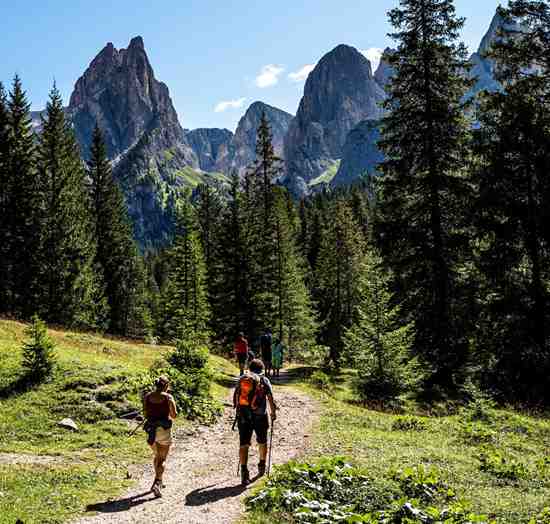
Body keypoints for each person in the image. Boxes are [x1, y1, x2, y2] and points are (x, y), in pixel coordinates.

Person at [233, 359, 277, 486]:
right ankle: (262, 466)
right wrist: (273, 413)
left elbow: (237, 398)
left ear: (249, 368)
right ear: (261, 369)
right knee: (262, 441)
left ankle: (244, 471)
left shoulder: (242, 379)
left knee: (244, 443)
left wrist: (238, 413)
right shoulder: (264, 380)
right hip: (260, 416)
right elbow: (270, 399)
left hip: (244, 415)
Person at [143, 375, 177, 497]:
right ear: (166, 386)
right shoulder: (168, 397)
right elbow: (174, 415)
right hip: (163, 430)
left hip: (150, 430)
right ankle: (157, 483)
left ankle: (159, 480)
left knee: (156, 456)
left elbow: (145, 414)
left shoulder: (147, 396)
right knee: (162, 458)